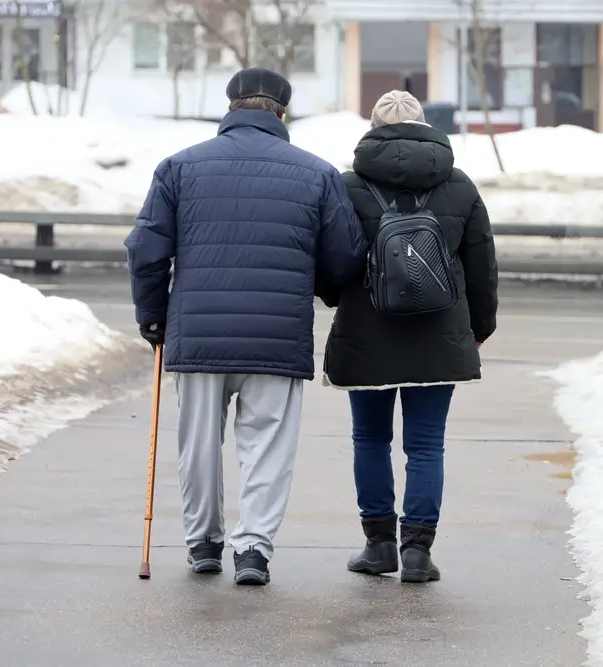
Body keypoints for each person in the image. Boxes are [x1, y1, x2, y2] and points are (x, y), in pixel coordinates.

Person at [124, 67, 367, 587]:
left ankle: (203, 541)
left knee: (198, 444)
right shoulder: (316, 173)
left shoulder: (180, 167)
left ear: (230, 107)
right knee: (267, 446)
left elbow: (146, 250)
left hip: (197, 335)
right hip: (276, 335)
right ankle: (253, 548)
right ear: (282, 113)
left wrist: (152, 316)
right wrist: (315, 287)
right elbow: (346, 256)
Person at [319, 91, 499, 583]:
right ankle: (417, 552)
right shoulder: (459, 185)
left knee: (370, 439)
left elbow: (331, 260)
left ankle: (379, 546)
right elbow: (482, 264)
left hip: (365, 334)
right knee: (426, 445)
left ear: (373, 128)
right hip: (439, 336)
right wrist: (478, 329)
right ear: (425, 127)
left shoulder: (347, 186)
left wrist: (341, 300)